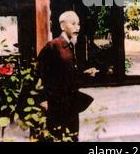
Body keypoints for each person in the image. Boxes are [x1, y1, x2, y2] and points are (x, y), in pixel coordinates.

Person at [37, 11, 98, 141]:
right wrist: (43, 99)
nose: (77, 27)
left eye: (79, 24)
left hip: (71, 102)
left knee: (72, 136)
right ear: (62, 26)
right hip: (56, 103)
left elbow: (67, 75)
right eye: (73, 23)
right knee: (58, 137)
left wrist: (84, 74)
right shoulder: (53, 46)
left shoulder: (71, 46)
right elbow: (41, 73)